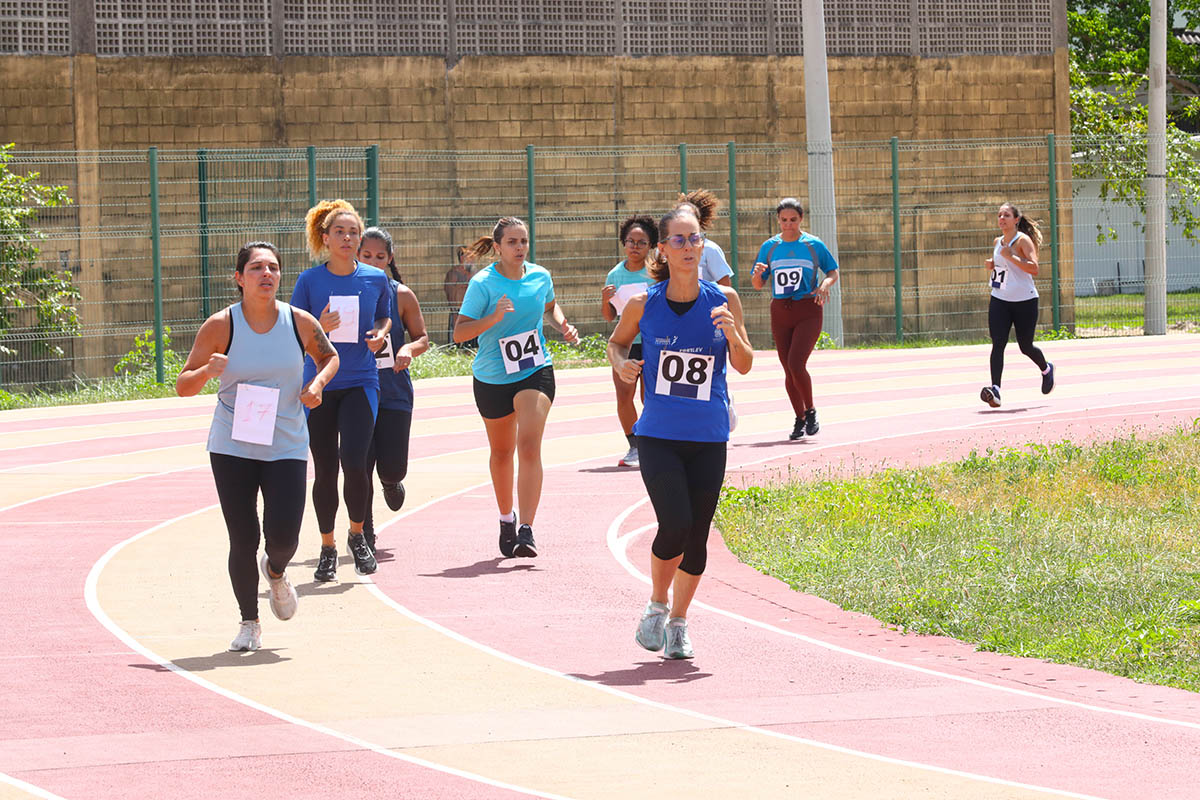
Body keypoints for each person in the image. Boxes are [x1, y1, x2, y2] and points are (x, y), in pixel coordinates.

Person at [176, 241, 339, 652]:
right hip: (233, 441)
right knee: (243, 537)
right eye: (256, 268)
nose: (266, 274)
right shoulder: (220, 325)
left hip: (285, 441)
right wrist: (206, 372)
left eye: (273, 268)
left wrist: (317, 385)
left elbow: (329, 357)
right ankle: (249, 621)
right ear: (239, 278)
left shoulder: (298, 321)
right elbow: (183, 385)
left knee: (283, 538)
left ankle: (278, 571)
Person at [608, 206, 754, 659]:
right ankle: (655, 604)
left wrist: (733, 336)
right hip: (658, 434)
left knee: (698, 534)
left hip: (709, 436)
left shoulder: (724, 299)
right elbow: (616, 341)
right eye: (679, 240)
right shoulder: (642, 304)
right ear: (663, 250)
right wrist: (623, 364)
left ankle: (679, 622)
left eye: (695, 240)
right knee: (675, 522)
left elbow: (746, 364)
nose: (689, 248)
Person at [453, 216, 579, 558]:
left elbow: (551, 307)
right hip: (493, 376)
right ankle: (505, 519)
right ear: (498, 247)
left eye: (523, 241)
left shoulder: (540, 276)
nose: (520, 247)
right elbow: (460, 333)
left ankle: (526, 529)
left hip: (534, 369)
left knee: (528, 444)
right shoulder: (483, 284)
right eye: (512, 242)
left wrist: (563, 325)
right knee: (502, 452)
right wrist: (493, 319)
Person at [289, 200, 392, 582]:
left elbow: (385, 315)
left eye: (353, 232)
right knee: (326, 469)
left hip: (361, 382)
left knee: (355, 461)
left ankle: (357, 534)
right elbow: (295, 332)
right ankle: (327, 546)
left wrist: (380, 334)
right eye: (340, 232)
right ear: (325, 238)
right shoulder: (309, 281)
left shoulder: (375, 278)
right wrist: (320, 325)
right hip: (320, 384)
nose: (347, 238)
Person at [357, 226, 430, 554]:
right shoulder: (345, 293)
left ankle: (391, 480)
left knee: (392, 465)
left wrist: (407, 350)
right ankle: (365, 531)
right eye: (366, 255)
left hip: (394, 392)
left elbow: (422, 338)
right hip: (356, 391)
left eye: (380, 257)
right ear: (356, 255)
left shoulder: (402, 295)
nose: (373, 261)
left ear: (390, 259)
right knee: (360, 464)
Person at [750, 197, 839, 440]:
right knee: (788, 369)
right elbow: (758, 284)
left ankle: (810, 411)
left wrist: (825, 284)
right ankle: (799, 418)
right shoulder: (769, 246)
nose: (788, 225)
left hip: (808, 309)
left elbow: (833, 270)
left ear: (801, 219)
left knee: (797, 363)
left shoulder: (813, 244)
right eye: (784, 220)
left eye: (793, 220)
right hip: (780, 310)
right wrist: (758, 275)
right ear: (778, 220)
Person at [981, 202, 1055, 407]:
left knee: (1025, 346)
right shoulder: (998, 241)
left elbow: (1034, 268)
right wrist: (992, 263)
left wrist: (1010, 256)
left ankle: (1046, 369)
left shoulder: (1023, 241)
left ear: (1016, 220)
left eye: (1006, 215)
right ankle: (995, 390)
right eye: (999, 215)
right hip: (1000, 299)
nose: (1002, 218)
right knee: (998, 343)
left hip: (1025, 301)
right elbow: (1003, 266)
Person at [601, 214, 658, 467]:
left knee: (651, 396)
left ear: (651, 245)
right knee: (624, 395)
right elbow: (609, 315)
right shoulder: (615, 275)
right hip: (626, 343)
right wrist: (605, 300)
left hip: (654, 342)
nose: (634, 246)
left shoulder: (657, 272)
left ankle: (653, 440)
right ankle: (634, 445)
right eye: (630, 241)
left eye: (641, 242)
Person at [676, 189, 733, 287]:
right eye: (680, 216)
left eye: (690, 216)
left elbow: (725, 286)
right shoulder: (665, 248)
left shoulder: (710, 249)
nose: (685, 220)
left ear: (698, 220)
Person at [444, 246, 478, 347]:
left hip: (473, 311)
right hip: (458, 311)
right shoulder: (454, 273)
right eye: (469, 256)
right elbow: (450, 293)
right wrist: (455, 313)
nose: (473, 259)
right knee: (456, 343)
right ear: (462, 258)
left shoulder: (475, 273)